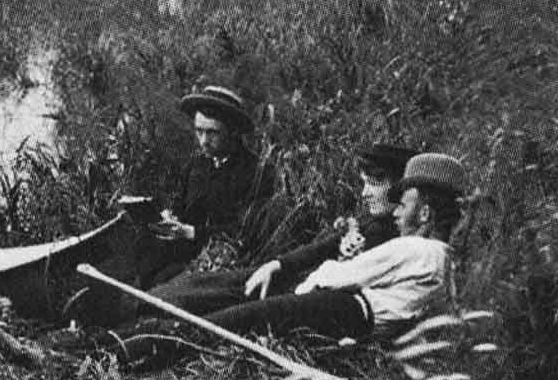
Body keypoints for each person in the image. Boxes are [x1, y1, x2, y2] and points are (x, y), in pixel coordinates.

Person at [194, 152, 465, 342]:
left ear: (425, 214)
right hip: (358, 322)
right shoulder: (446, 261)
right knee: (244, 319)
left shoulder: (414, 248)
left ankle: (164, 336)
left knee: (239, 320)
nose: (396, 214)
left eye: (403, 206)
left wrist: (298, 295)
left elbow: (339, 277)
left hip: (345, 311)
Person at [144, 143, 416, 318]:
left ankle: (141, 315)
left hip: (298, 299)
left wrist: (284, 274)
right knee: (201, 284)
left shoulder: (395, 238)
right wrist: (277, 264)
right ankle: (144, 305)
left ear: (400, 189)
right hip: (290, 279)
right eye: (364, 183)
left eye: (374, 184)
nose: (365, 194)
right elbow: (324, 246)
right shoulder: (372, 221)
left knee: (205, 300)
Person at [133, 85, 279, 287]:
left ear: (233, 132)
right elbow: (180, 205)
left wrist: (191, 232)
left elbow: (244, 232)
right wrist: (169, 217)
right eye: (199, 131)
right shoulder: (196, 165)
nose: (203, 141)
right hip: (182, 252)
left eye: (213, 133)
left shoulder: (257, 172)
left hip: (223, 265)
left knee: (164, 285)